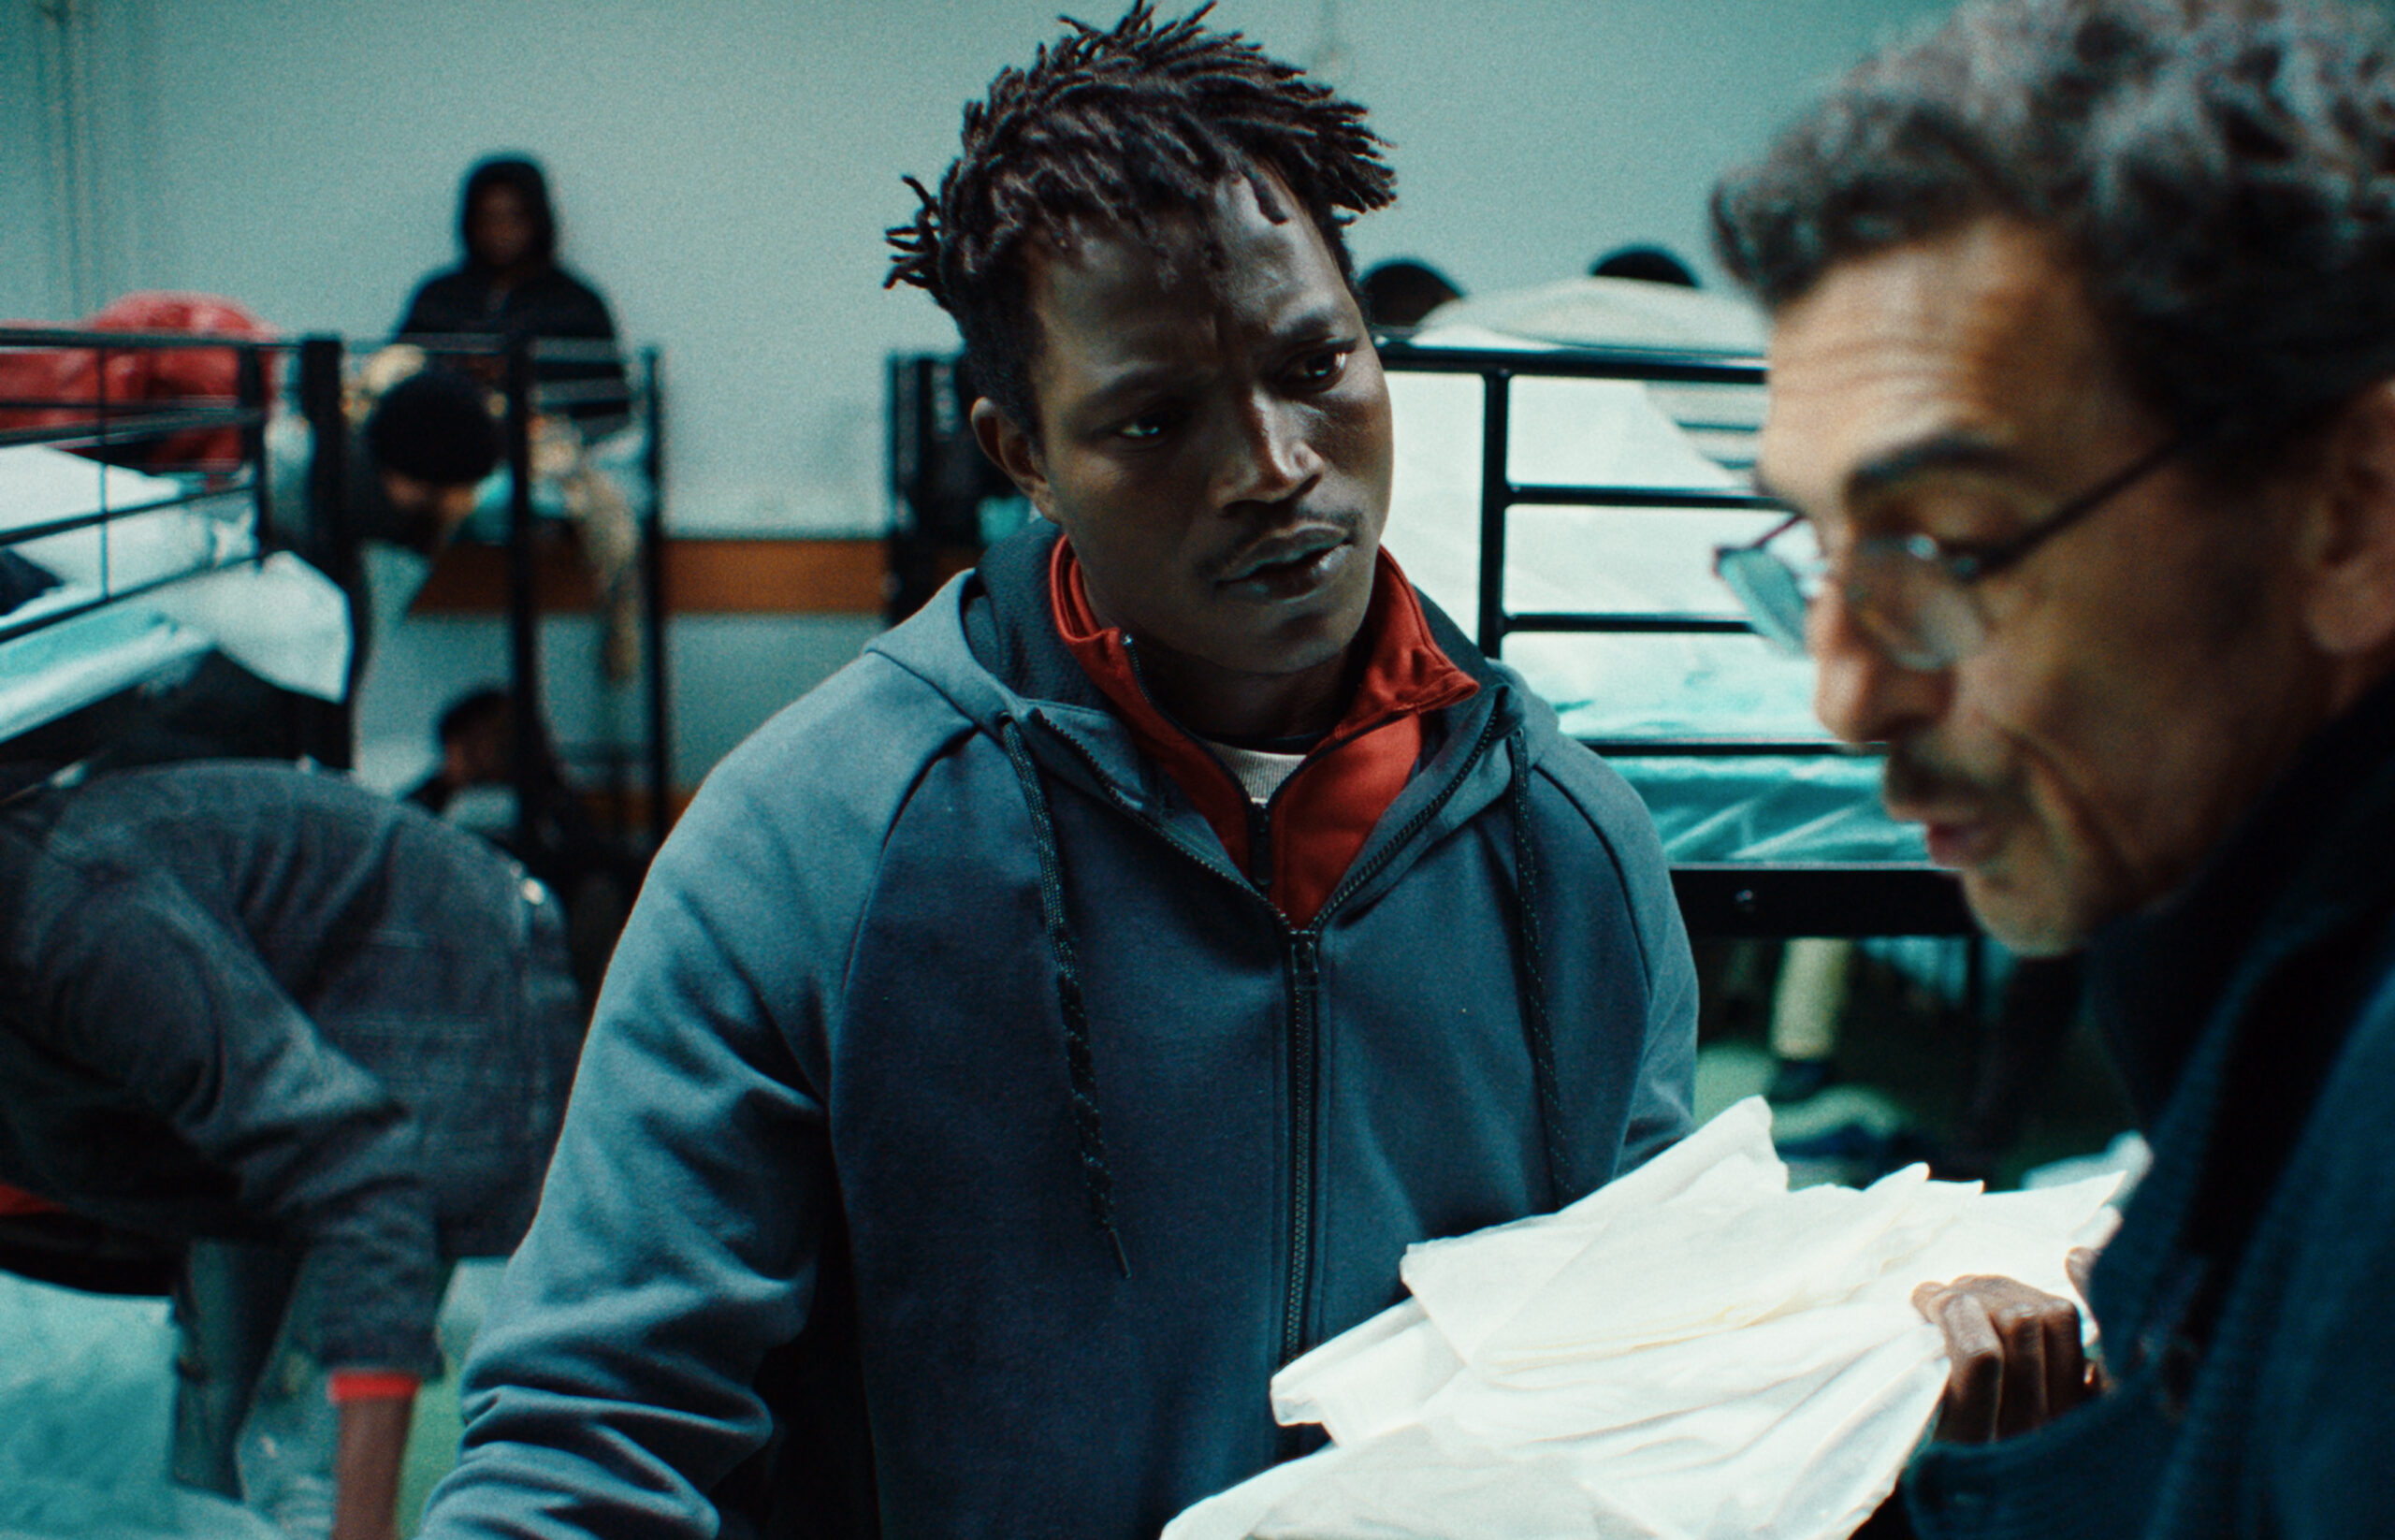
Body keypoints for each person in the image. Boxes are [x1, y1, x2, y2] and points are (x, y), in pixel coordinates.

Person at [418, 7, 1696, 1537]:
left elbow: (1650, 1364)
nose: (1276, 464)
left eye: (1316, 363)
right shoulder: (816, 845)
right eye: (1155, 418)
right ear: (1022, 454)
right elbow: (593, 1430)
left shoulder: (1569, 849)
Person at [1708, 0, 2395, 1532]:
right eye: (1821, 553)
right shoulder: (2254, 993)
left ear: (2351, 512)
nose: (1844, 696)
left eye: (1946, 547)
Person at [0, 760, 582, 1540]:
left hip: (433, 965)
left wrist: (360, 1526)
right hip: (261, 1036)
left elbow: (366, 1183)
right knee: (212, 1442)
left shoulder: (89, 926)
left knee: (289, 1467)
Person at [395, 156, 628, 430]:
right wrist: (459, 369)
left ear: (538, 220)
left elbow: (610, 403)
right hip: (446, 447)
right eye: (488, 218)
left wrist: (521, 376)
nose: (501, 231)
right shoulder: (438, 297)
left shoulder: (577, 303)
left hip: (547, 449)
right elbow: (397, 376)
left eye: (514, 217)